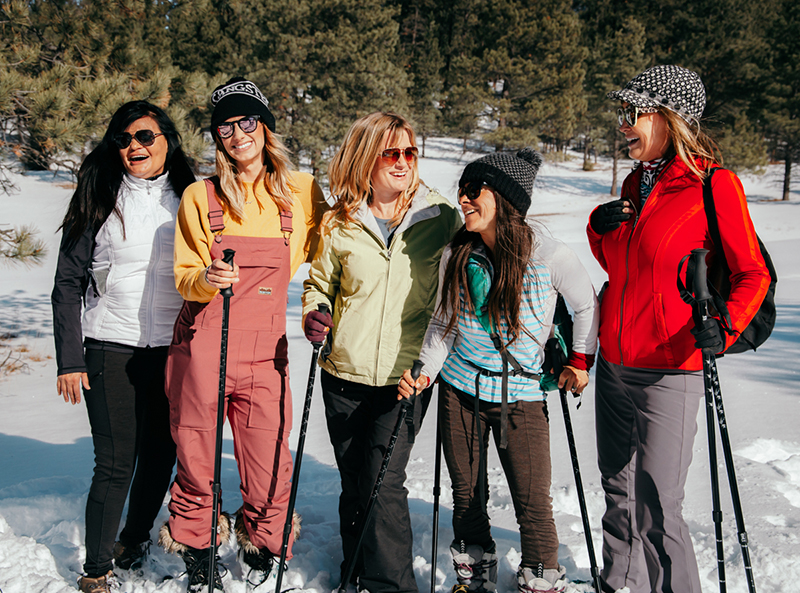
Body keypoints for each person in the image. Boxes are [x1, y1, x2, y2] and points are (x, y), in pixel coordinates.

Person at [587, 65, 771, 593]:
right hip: (615, 362)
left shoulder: (713, 185)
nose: (623, 124)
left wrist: (727, 325)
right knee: (617, 489)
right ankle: (621, 583)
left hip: (671, 367)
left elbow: (751, 272)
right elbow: (624, 269)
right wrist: (599, 231)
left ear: (670, 118)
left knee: (657, 501)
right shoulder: (633, 183)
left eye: (632, 113)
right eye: (621, 113)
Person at [399, 148, 599, 593]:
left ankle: (542, 580)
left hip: (522, 395)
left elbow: (586, 306)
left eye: (474, 191)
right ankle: (475, 575)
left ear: (504, 199)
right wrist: (426, 371)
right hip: (460, 389)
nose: (464, 200)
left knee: (532, 501)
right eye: (461, 191)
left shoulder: (549, 256)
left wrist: (580, 361)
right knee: (467, 496)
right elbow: (442, 322)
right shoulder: (457, 253)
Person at [157, 77, 328, 592]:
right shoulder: (199, 195)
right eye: (225, 127)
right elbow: (184, 275)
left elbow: (327, 262)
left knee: (271, 458)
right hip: (204, 348)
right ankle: (199, 547)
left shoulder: (300, 193)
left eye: (246, 121)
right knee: (196, 455)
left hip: (265, 352)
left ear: (266, 127)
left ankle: (262, 544)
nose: (237, 134)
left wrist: (318, 310)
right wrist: (207, 279)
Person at [301, 112, 462, 593]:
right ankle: (355, 573)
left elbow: (454, 295)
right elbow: (319, 284)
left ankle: (391, 585)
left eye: (410, 152)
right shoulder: (339, 221)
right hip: (343, 370)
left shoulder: (441, 218)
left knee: (382, 483)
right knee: (355, 479)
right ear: (365, 158)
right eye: (391, 152)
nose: (402, 162)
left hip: (406, 376)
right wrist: (317, 312)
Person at [52, 100, 195, 592]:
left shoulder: (191, 198)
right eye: (124, 139)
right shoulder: (99, 196)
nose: (134, 146)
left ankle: (132, 539)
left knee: (160, 456)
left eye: (145, 137)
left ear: (166, 141)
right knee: (115, 463)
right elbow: (67, 284)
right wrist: (70, 359)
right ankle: (96, 568)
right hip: (110, 348)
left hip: (171, 350)